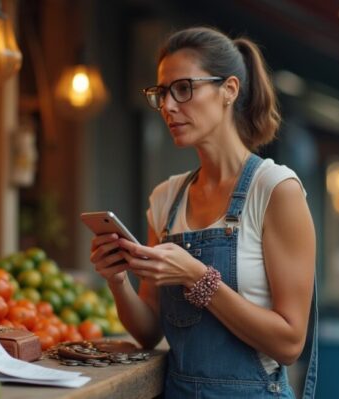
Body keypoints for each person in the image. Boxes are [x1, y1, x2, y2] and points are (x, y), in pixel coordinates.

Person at [89, 26, 317, 398]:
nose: (168, 106)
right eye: (161, 93)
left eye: (183, 88)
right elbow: (149, 331)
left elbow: (290, 343)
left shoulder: (275, 189)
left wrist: (197, 277)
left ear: (229, 90)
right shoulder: (165, 198)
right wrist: (117, 279)